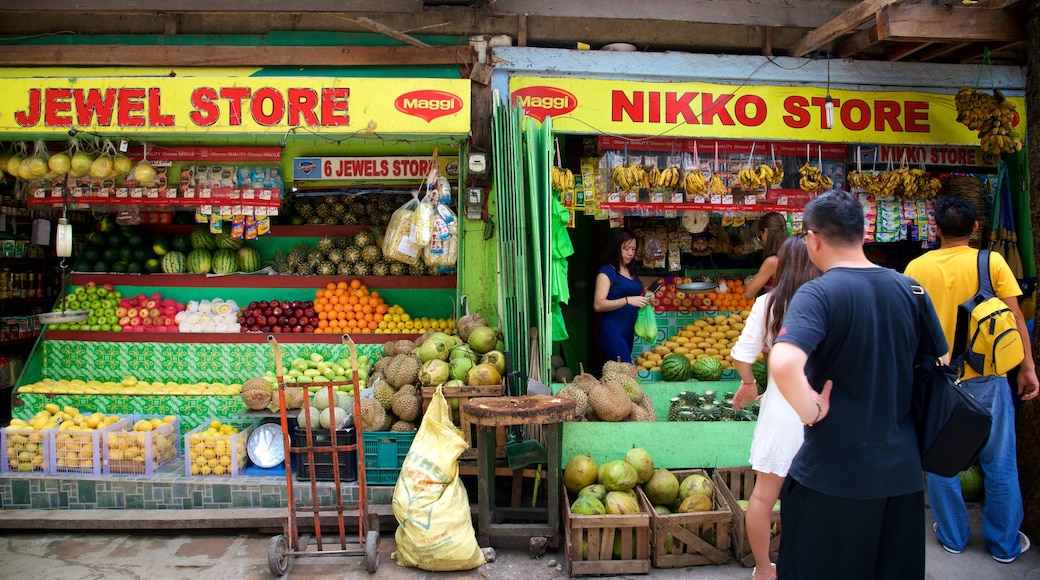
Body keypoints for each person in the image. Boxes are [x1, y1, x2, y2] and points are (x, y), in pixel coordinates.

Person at [768, 190, 946, 580]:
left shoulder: (818, 292)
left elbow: (782, 361)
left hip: (835, 476)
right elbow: (940, 362)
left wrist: (810, 409)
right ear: (863, 233)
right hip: (901, 474)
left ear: (812, 239)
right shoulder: (910, 289)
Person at [904, 195, 1038, 563]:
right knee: (999, 462)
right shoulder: (991, 262)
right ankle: (1004, 544)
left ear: (935, 229)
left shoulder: (916, 267)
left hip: (938, 381)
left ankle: (952, 536)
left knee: (941, 459)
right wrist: (1027, 367)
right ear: (975, 228)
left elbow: (908, 327)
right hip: (987, 378)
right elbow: (1013, 319)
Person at [731, 236, 822, 580]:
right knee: (817, 498)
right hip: (818, 408)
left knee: (763, 497)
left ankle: (765, 568)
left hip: (781, 409)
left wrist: (749, 383)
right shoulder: (826, 300)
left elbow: (741, 355)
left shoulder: (769, 302)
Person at [593, 228, 650, 364]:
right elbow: (598, 304)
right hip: (613, 331)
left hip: (629, 332)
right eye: (626, 249)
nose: (630, 253)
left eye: (633, 249)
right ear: (616, 248)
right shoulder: (607, 272)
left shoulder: (630, 271)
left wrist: (646, 295)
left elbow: (635, 294)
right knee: (625, 372)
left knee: (619, 374)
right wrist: (627, 300)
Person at [744, 212, 790, 300]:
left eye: (760, 236)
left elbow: (748, 294)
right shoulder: (793, 253)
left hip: (776, 309)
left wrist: (755, 277)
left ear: (766, 231)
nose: (761, 240)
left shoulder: (772, 261)